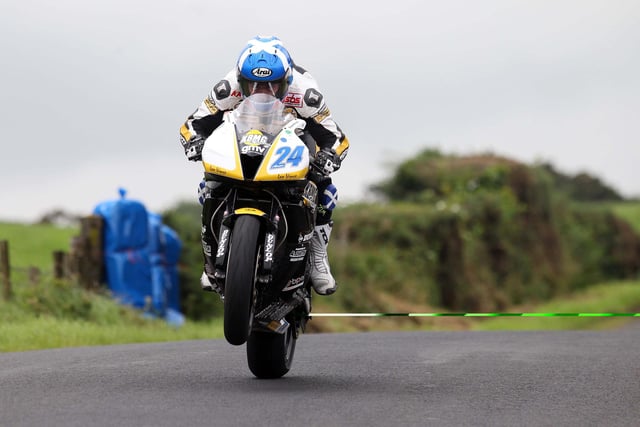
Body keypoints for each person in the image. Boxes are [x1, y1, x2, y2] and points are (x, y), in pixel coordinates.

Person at [179, 35, 349, 296]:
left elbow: (336, 136)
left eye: (273, 85)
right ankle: (211, 257)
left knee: (324, 191)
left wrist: (329, 156)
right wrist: (194, 142)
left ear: (287, 80)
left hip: (290, 138)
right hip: (243, 137)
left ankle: (317, 256)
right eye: (253, 84)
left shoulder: (305, 93)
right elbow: (193, 123)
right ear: (241, 79)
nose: (263, 90)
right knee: (207, 186)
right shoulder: (227, 88)